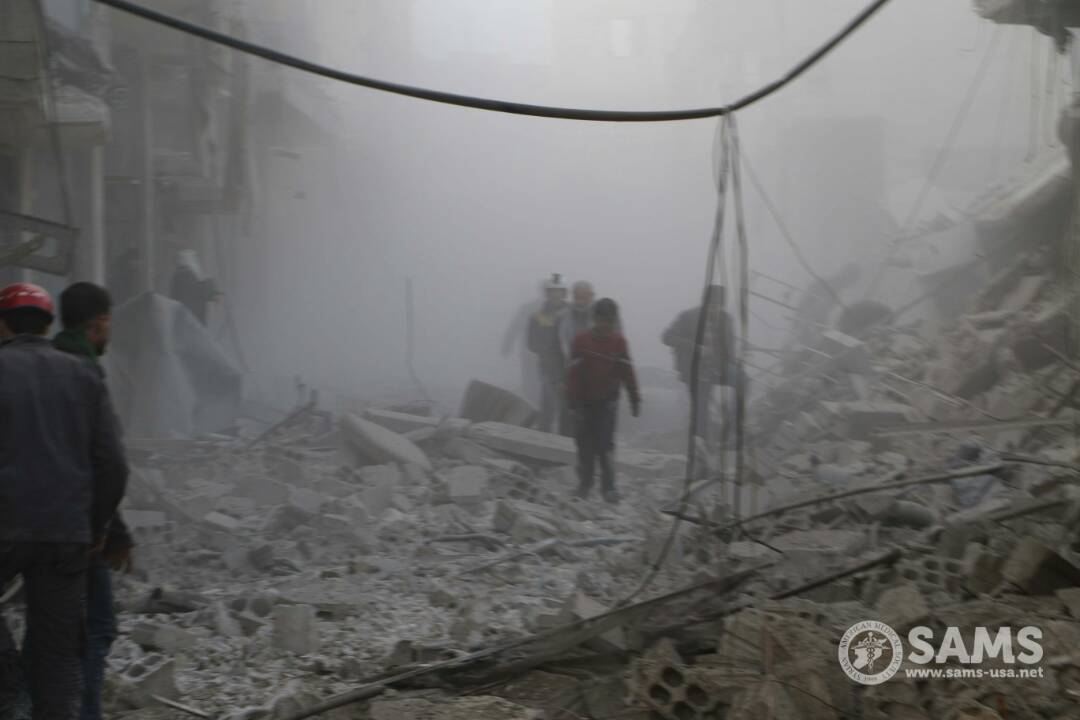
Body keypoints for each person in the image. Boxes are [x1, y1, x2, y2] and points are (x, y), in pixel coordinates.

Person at [0, 283, 128, 720]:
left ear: (2, 325)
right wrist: (96, 527)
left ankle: (10, 689)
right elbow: (113, 465)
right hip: (66, 535)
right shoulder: (83, 374)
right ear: (48, 324)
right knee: (59, 658)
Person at [51, 282, 133, 720]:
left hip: (29, 524)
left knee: (50, 633)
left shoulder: (37, 366)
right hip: (77, 527)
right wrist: (108, 530)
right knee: (98, 626)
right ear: (99, 322)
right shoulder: (86, 373)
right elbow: (106, 464)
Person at [566, 298, 641, 503]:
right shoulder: (581, 341)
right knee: (584, 445)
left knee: (605, 445)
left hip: (607, 403)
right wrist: (573, 401)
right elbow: (573, 375)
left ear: (615, 321)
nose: (606, 325)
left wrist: (634, 397)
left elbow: (627, 372)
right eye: (602, 320)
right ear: (594, 319)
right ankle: (585, 484)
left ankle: (609, 487)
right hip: (583, 402)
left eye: (610, 321)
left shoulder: (619, 343)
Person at [662, 285, 735, 444]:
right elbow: (667, 337)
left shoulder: (726, 320)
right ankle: (700, 443)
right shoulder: (688, 317)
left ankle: (731, 427)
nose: (714, 309)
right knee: (701, 408)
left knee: (743, 381)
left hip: (717, 368)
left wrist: (730, 361)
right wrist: (696, 348)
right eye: (711, 305)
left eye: (717, 306)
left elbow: (730, 347)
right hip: (694, 370)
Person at [527, 273, 568, 433]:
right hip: (548, 368)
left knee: (568, 409)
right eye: (552, 291)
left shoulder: (573, 314)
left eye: (559, 291)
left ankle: (566, 441)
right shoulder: (537, 317)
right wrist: (547, 350)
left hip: (570, 369)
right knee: (548, 406)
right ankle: (543, 438)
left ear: (564, 293)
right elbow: (531, 343)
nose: (555, 295)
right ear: (547, 293)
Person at [557, 281, 595, 436]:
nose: (581, 301)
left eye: (584, 296)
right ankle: (563, 444)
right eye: (578, 296)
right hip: (569, 372)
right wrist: (559, 376)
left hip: (594, 373)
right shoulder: (562, 317)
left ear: (591, 297)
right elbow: (555, 348)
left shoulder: (601, 317)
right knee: (567, 413)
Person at [170, 249, 219, 325]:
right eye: (196, 261)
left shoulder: (177, 277)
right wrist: (212, 287)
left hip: (183, 322)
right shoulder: (186, 276)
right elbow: (201, 291)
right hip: (193, 322)